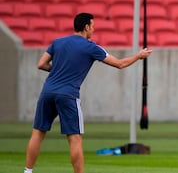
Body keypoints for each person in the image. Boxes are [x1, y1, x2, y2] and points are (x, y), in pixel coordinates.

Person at [24, 13, 152, 173]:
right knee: (75, 138)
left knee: (38, 133)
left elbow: (41, 64)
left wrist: (57, 70)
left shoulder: (58, 42)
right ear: (86, 27)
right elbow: (119, 64)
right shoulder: (91, 47)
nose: (93, 29)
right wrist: (138, 56)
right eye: (92, 26)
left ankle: (27, 171)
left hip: (47, 92)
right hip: (68, 94)